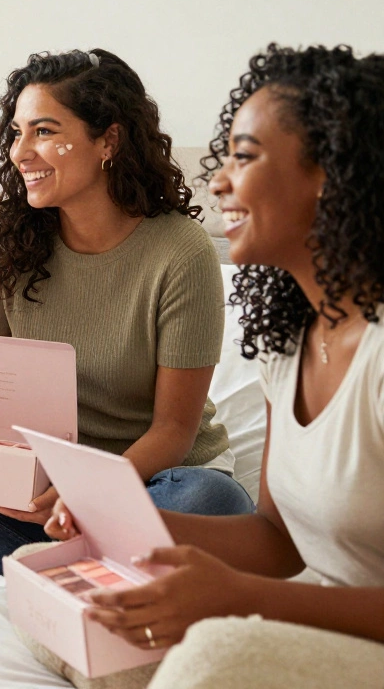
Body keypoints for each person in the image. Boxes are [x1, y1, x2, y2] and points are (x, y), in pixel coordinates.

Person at [43, 43, 384, 689]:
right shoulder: (290, 343)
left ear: (332, 174)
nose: (218, 179)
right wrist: (122, 525)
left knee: (216, 658)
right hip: (327, 624)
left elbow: (271, 585)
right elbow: (277, 542)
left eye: (244, 157)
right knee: (68, 597)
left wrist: (236, 600)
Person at [0, 49, 253, 574]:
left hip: (150, 478)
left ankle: (48, 559)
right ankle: (73, 563)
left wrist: (84, 492)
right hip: (37, 483)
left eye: (43, 131)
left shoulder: (182, 252)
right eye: (17, 133)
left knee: (212, 502)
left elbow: (174, 430)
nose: (21, 152)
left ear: (108, 140)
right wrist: (8, 474)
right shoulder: (0, 238)